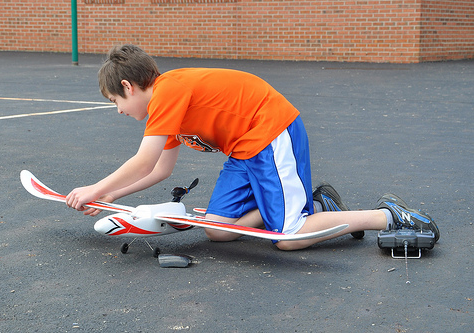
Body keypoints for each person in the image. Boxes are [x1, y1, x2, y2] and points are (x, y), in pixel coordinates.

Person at [65, 44, 439, 250]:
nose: (119, 110)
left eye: (116, 101)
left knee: (289, 239)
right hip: (244, 151)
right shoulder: (167, 110)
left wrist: (96, 189)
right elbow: (159, 170)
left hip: (271, 133)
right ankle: (309, 203)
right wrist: (109, 195)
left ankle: (389, 216)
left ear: (129, 86)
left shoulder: (167, 92)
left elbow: (144, 160)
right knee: (216, 230)